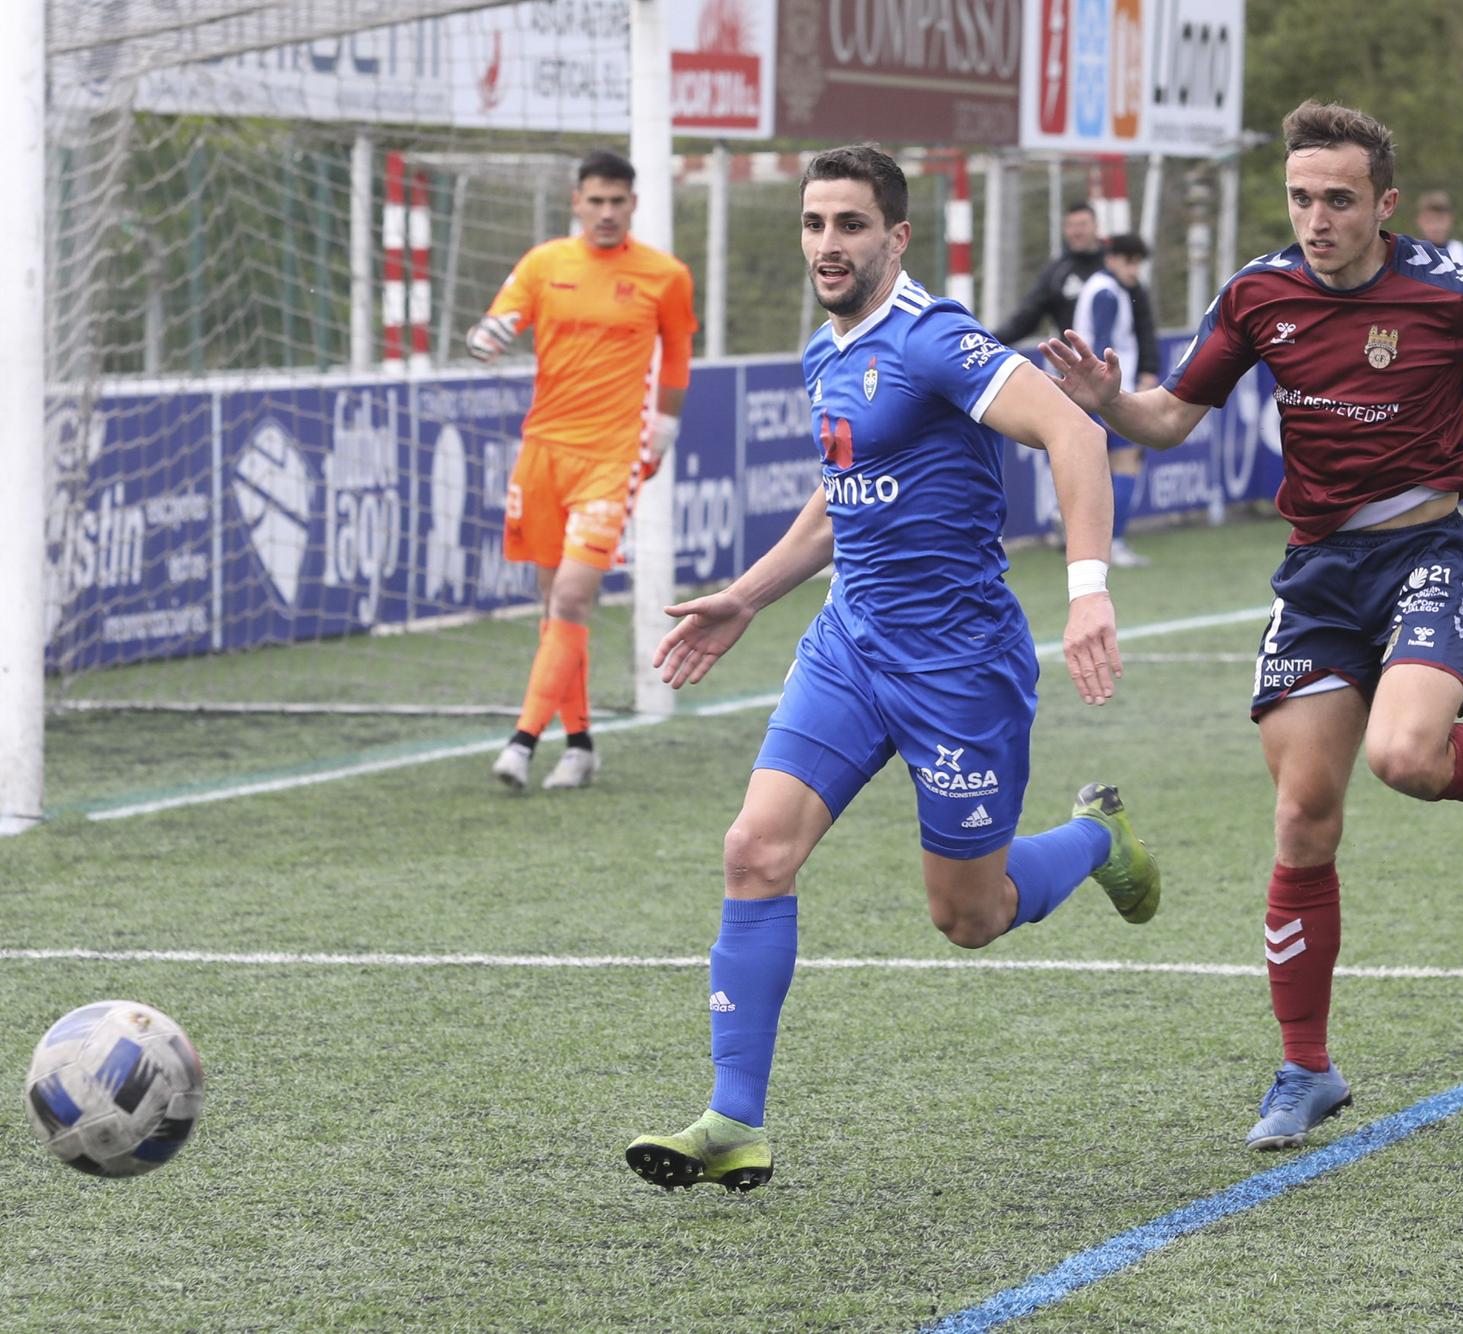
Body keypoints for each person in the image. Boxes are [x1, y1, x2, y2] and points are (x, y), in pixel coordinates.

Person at [1040, 100, 1463, 1153]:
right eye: (1301, 197)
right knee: (1301, 816)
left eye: (1338, 200)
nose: (1316, 218)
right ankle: (1304, 1067)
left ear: (1382, 204)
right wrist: (1101, 401)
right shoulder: (1256, 295)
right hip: (1316, 576)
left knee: (1405, 755)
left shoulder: (1441, 289)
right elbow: (1169, 418)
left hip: (1425, 551)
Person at [622, 144, 1162, 1192]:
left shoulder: (933, 340)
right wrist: (746, 593)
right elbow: (841, 496)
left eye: (851, 225)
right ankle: (732, 1117)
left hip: (959, 665)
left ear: (895, 236)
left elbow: (1071, 432)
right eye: (815, 223)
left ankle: (1094, 836)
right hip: (848, 645)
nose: (829, 243)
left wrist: (1087, 584)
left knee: (967, 916)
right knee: (752, 850)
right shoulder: (826, 351)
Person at [468, 149, 697, 792]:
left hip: (611, 455)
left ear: (633, 205)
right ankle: (582, 743)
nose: (605, 212)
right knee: (554, 605)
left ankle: (521, 741)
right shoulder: (545, 263)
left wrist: (664, 432)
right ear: (577, 201)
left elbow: (676, 359)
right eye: (594, 201)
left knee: (572, 595)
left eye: (617, 202)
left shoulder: (664, 275)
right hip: (542, 451)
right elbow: (504, 315)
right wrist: (489, 335)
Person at [1086, 234, 1164, 567]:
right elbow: (1102, 344)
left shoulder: (1107, 288)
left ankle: (1097, 546)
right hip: (1104, 395)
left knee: (1099, 472)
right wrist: (1108, 398)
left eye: (1138, 262)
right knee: (1125, 463)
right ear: (1112, 259)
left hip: (1097, 392)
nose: (1134, 269)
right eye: (1129, 261)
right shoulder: (1107, 292)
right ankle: (1113, 544)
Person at [989, 200, 1103, 346]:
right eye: (1071, 226)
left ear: (1096, 226)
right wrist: (990, 341)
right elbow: (1026, 318)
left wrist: (1143, 365)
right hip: (1074, 363)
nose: (1076, 232)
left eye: (1082, 225)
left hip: (1118, 361)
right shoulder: (1056, 272)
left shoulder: (1113, 265)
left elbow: (1139, 317)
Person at [1414, 190, 1463, 270]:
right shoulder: (1410, 254)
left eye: (1440, 220)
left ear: (1450, 219)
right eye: (1430, 220)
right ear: (1419, 220)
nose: (1435, 226)